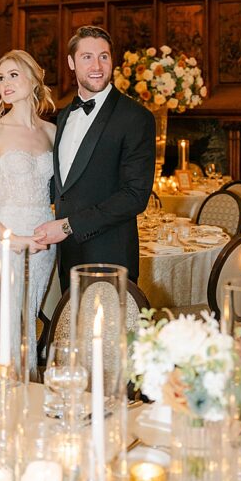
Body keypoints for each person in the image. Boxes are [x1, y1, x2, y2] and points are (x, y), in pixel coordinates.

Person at [32, 26, 155, 292]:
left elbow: (135, 196)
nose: (97, 65)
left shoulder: (136, 118)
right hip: (68, 257)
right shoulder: (64, 116)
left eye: (104, 56)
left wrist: (67, 226)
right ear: (71, 63)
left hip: (110, 257)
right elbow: (66, 186)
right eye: (87, 57)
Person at [0, 50, 55, 373]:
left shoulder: (51, 133)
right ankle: (8, 396)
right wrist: (11, 238)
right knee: (7, 325)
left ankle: (28, 390)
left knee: (28, 319)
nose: (5, 82)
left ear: (34, 77)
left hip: (45, 239)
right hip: (6, 239)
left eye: (13, 74)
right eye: (1, 77)